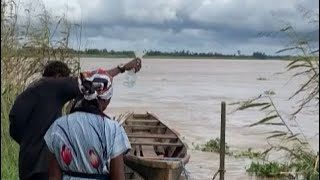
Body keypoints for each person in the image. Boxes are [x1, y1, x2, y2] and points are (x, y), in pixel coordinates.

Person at [9, 59, 141, 180]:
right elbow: (94, 81)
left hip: (27, 164)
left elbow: (14, 129)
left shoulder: (31, 93)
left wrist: (33, 143)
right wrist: (122, 68)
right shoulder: (54, 85)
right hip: (43, 167)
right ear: (59, 77)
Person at [44, 69, 130, 180]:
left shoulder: (58, 127)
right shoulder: (113, 129)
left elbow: (53, 177)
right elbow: (118, 178)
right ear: (107, 99)